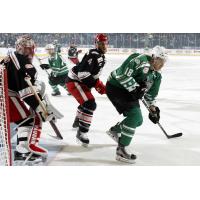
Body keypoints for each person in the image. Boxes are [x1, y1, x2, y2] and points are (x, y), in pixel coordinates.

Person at [0, 35, 58, 163]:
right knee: (27, 120)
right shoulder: (22, 62)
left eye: (30, 49)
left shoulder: (11, 57)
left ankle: (21, 148)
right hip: (6, 96)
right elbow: (26, 91)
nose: (29, 52)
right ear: (19, 48)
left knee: (21, 119)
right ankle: (23, 151)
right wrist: (40, 108)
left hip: (5, 93)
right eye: (26, 49)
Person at [106, 46, 167, 163]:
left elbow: (150, 95)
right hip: (116, 87)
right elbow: (121, 75)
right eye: (160, 61)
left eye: (163, 62)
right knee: (135, 116)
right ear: (154, 57)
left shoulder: (156, 76)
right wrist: (135, 88)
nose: (162, 65)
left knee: (138, 121)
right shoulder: (139, 60)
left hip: (128, 91)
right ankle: (121, 150)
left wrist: (153, 109)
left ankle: (115, 130)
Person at [66, 34, 108, 147]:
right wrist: (97, 85)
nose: (103, 45)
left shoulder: (100, 56)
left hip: (80, 81)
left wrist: (102, 87)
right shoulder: (93, 54)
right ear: (96, 44)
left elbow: (93, 75)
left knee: (86, 102)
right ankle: (82, 132)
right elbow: (83, 74)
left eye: (105, 43)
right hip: (75, 81)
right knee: (90, 104)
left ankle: (78, 119)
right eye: (101, 43)